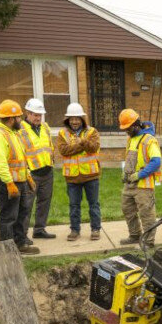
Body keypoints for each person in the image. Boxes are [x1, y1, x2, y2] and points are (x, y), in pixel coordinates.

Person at [0, 100, 39, 254]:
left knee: (22, 213)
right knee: (9, 216)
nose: (20, 120)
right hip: (8, 182)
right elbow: (0, 162)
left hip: (20, 181)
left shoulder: (12, 133)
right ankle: (7, 250)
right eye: (18, 117)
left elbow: (20, 159)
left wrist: (28, 177)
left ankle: (20, 243)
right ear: (10, 119)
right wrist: (9, 183)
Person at [56, 103, 101, 241]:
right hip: (72, 177)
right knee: (74, 205)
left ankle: (95, 229)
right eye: (72, 119)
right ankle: (75, 230)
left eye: (77, 118)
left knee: (93, 204)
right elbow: (64, 150)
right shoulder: (62, 134)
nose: (74, 122)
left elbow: (93, 148)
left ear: (82, 119)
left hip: (91, 175)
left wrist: (81, 143)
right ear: (67, 120)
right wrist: (82, 143)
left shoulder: (92, 132)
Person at [118, 109, 162, 248]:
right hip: (130, 183)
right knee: (127, 209)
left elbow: (156, 161)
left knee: (146, 213)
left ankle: (149, 242)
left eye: (128, 128)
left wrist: (139, 175)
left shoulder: (149, 140)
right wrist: (125, 173)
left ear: (136, 125)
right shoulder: (130, 138)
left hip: (144, 184)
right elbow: (131, 158)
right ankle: (135, 235)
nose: (127, 131)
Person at [20, 98, 55, 239]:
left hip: (47, 171)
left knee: (44, 202)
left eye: (40, 115)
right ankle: (22, 235)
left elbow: (49, 146)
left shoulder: (45, 127)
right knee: (26, 205)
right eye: (35, 114)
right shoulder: (20, 129)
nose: (38, 117)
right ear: (27, 113)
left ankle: (39, 229)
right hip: (31, 173)